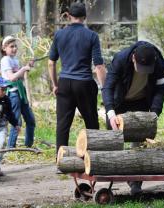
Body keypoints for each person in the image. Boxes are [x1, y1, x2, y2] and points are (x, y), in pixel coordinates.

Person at [102, 41, 164, 195]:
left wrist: (155, 112)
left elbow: (160, 89)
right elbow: (108, 87)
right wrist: (110, 112)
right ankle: (112, 175)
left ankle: (135, 183)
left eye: (147, 69)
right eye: (141, 68)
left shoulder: (159, 63)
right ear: (133, 58)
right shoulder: (120, 59)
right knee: (114, 140)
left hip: (142, 101)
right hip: (120, 102)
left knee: (140, 143)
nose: (144, 72)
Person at [48, 2, 106, 154]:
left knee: (62, 124)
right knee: (92, 122)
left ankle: (60, 161)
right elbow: (99, 66)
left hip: (65, 83)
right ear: (85, 17)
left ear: (68, 16)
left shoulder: (59, 35)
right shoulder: (92, 36)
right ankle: (94, 157)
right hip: (84, 83)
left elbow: (51, 63)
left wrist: (55, 85)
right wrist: (105, 88)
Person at [0, 35, 36, 148]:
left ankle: (28, 146)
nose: (14, 48)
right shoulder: (5, 60)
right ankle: (11, 148)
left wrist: (28, 66)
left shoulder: (15, 60)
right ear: (4, 48)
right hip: (13, 94)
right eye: (11, 46)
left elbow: (19, 75)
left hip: (21, 92)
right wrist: (23, 69)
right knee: (17, 122)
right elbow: (11, 77)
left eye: (15, 46)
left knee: (30, 120)